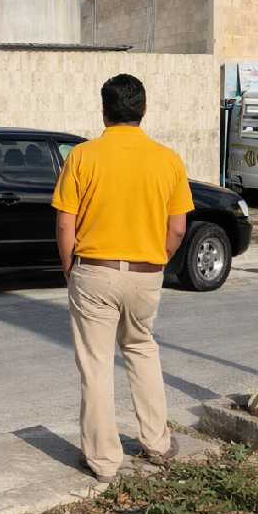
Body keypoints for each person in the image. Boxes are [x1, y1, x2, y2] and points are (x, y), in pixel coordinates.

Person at [51, 74, 192, 484]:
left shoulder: (82, 157)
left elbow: (65, 224)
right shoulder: (168, 160)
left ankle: (103, 461)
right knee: (142, 350)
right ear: (143, 110)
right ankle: (157, 443)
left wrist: (70, 268)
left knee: (96, 365)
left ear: (104, 110)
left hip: (95, 270)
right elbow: (178, 228)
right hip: (147, 274)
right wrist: (157, 260)